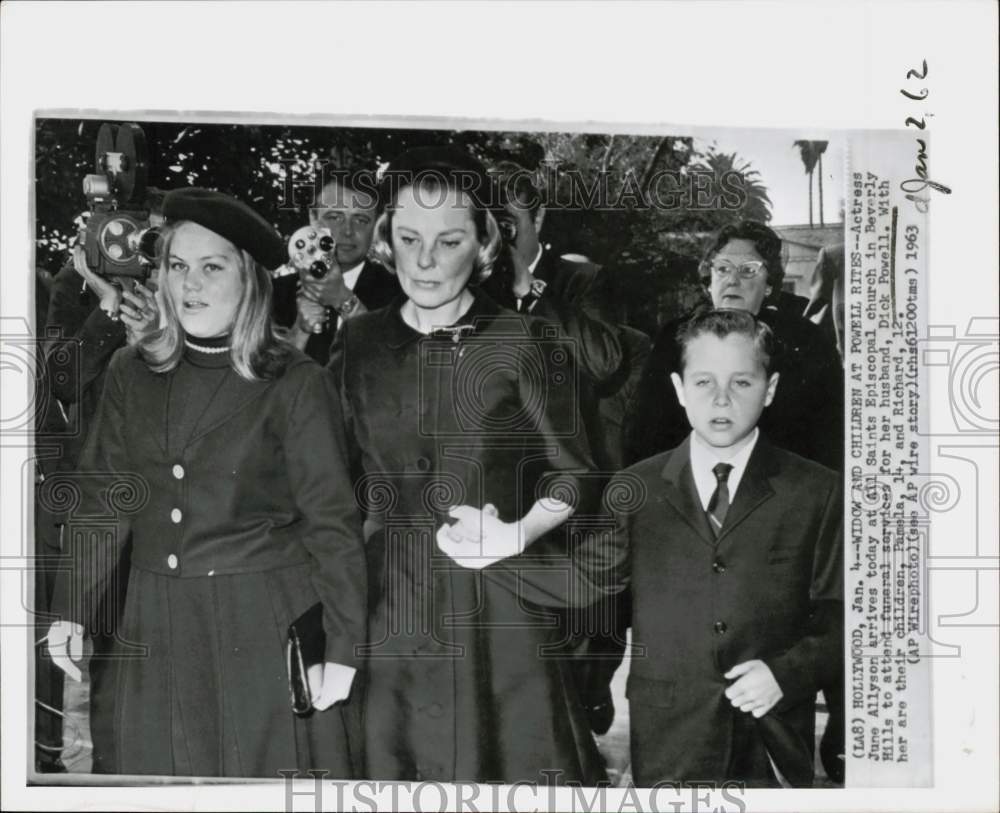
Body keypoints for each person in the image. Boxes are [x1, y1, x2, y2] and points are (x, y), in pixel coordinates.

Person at [46, 188, 367, 778]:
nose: (190, 284)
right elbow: (103, 497)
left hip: (261, 626)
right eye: (177, 266)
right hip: (149, 626)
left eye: (211, 267)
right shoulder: (130, 370)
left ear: (248, 277)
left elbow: (333, 526)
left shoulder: (296, 381)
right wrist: (72, 608)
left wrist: (343, 650)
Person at [329, 146, 614, 785]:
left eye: (449, 239)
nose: (426, 260)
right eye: (408, 238)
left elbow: (579, 473)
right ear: (386, 240)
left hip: (498, 612)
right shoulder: (357, 342)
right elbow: (328, 480)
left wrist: (517, 533)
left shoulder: (524, 339)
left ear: (483, 241)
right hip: (387, 613)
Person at [608, 309, 843, 787]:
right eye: (703, 383)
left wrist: (788, 672)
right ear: (678, 389)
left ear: (770, 389)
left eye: (741, 383)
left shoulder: (818, 491)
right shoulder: (633, 489)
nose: (721, 399)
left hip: (770, 732)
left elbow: (846, 617)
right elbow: (594, 597)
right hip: (669, 737)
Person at [38, 204, 162, 773]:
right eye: (112, 234)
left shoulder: (173, 282)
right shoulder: (69, 288)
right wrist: (105, 304)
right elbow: (61, 377)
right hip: (93, 504)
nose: (126, 247)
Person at [623, 220, 844, 471]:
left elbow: (829, 441)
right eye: (723, 269)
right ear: (709, 280)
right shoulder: (674, 338)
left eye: (748, 270)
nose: (733, 280)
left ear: (769, 284)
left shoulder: (806, 342)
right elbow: (644, 434)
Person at [272, 171, 401, 364]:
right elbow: (262, 379)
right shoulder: (274, 293)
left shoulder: (399, 292)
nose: (347, 231)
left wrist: (344, 300)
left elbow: (399, 368)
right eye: (334, 217)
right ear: (313, 219)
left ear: (376, 226)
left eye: (361, 220)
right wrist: (300, 330)